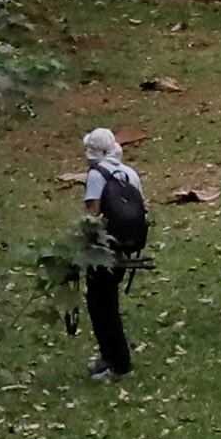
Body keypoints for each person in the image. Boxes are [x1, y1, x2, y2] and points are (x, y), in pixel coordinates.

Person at [77, 127, 150, 380]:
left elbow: (93, 215)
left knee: (100, 305)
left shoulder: (96, 175)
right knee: (108, 302)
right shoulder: (129, 173)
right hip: (126, 247)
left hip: (103, 249)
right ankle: (112, 359)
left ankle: (118, 363)